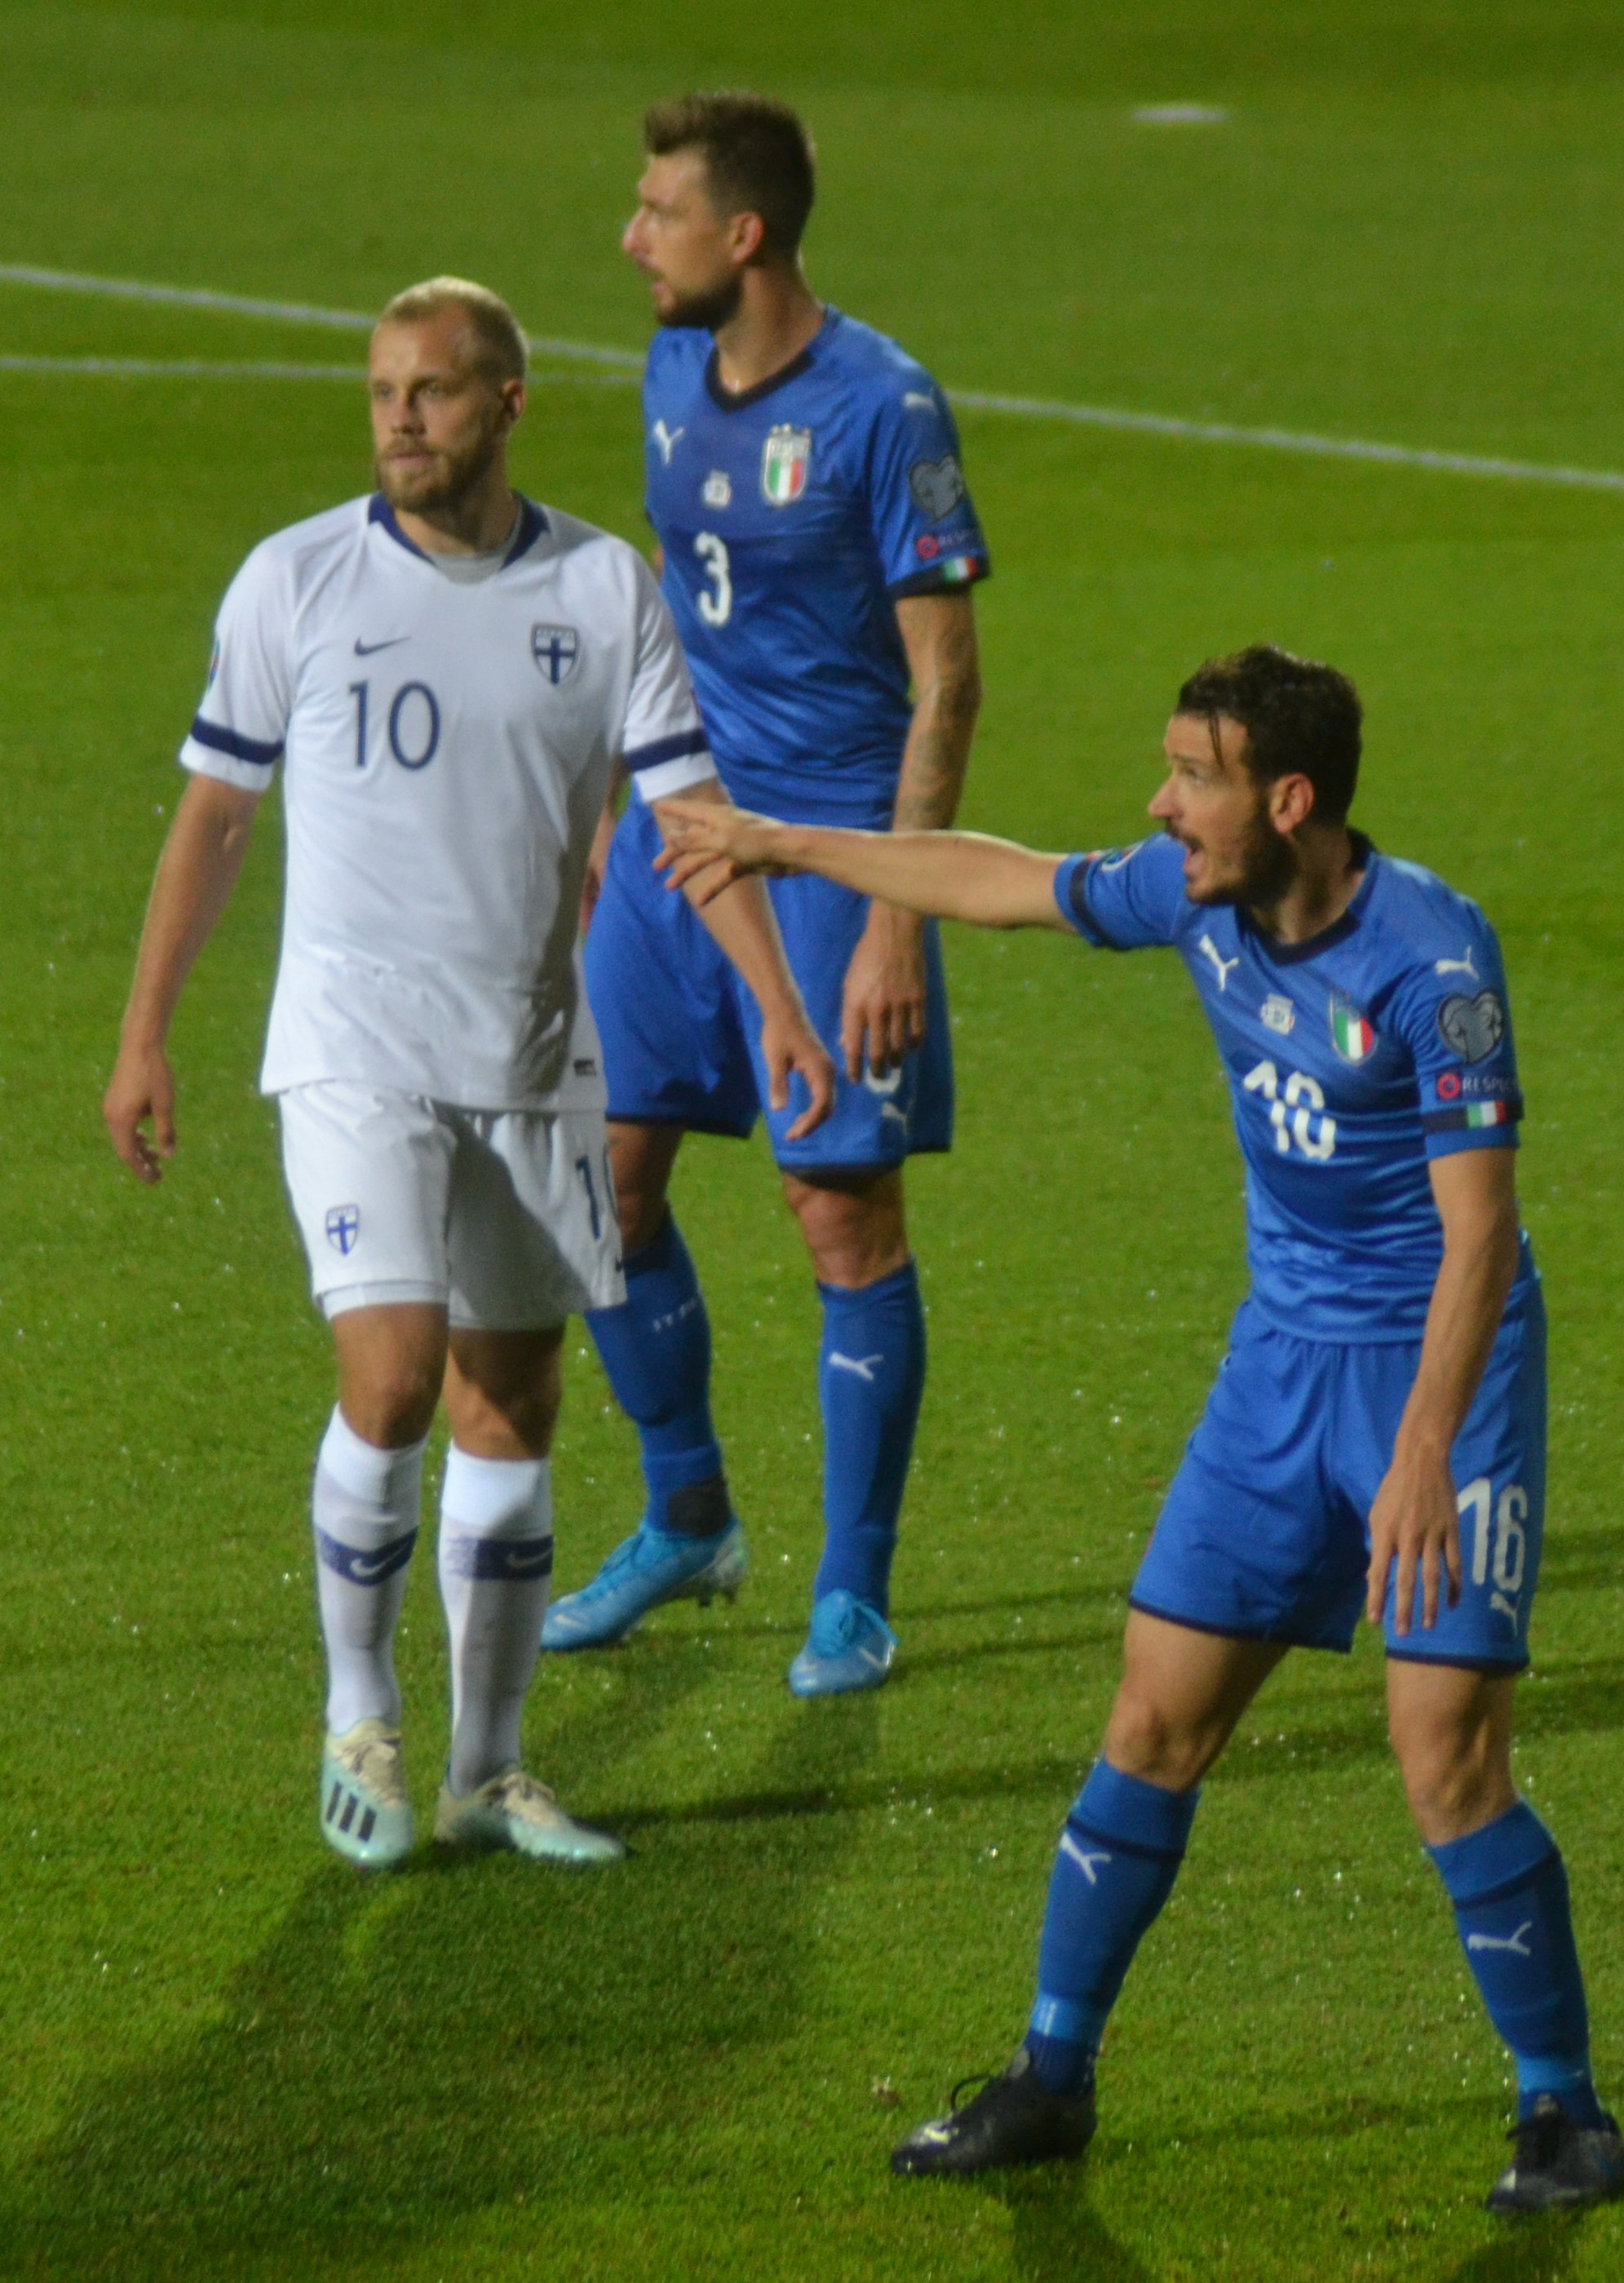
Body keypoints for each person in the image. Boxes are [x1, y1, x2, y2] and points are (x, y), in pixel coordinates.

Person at [654, 644, 1624, 2212]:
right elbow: (1003, 883)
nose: (1162, 806)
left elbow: (1480, 1236)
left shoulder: (1432, 965)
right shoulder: (1195, 897)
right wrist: (782, 844)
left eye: (1193, 777)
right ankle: (1051, 2080)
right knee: (1154, 1718)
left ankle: (1564, 2113)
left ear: (1288, 800)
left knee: (1444, 1757)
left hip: (1437, 1376)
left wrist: (1425, 1454)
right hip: (1278, 1368)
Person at [103, 277, 833, 1871]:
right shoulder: (295, 578)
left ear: (507, 404)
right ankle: (359, 1718)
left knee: (516, 1401)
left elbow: (689, 820)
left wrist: (778, 1006)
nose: (399, 420)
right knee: (393, 1378)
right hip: (353, 1047)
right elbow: (215, 815)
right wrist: (145, 1029)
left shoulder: (604, 588)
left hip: (528, 1051)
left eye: (429, 392)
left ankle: (487, 1772)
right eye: (381, 393)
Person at [540, 92, 987, 1695]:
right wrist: (619, 795)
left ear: (744, 234)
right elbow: (667, 596)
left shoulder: (885, 408)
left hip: (832, 851)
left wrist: (896, 920)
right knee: (600, 1179)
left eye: (657, 212)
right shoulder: (671, 369)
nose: (630, 239)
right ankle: (688, 1515)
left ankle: (853, 1592)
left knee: (838, 1209)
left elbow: (948, 684)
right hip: (681, 839)